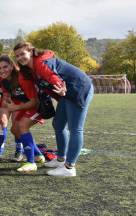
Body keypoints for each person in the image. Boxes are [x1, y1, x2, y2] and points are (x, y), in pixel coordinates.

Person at [14, 42, 94, 177]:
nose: (20, 58)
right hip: (66, 92)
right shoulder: (30, 69)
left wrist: (60, 86)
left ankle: (69, 168)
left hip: (78, 88)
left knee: (75, 128)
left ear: (31, 52)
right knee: (58, 124)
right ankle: (60, 159)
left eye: (23, 53)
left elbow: (51, 76)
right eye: (17, 56)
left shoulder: (40, 63)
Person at [0, 55, 46, 174]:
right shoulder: (2, 78)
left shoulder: (22, 78)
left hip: (40, 105)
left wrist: (16, 107)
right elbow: (6, 94)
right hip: (26, 104)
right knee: (15, 130)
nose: (2, 71)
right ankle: (38, 155)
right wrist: (6, 101)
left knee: (22, 126)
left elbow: (35, 102)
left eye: (5, 67)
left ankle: (31, 162)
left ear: (12, 66)